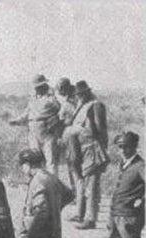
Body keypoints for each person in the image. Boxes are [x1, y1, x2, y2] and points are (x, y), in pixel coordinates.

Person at [92, 132, 144, 238]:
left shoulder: (140, 165)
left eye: (126, 146)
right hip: (116, 214)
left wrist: (142, 200)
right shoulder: (124, 164)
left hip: (129, 217)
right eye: (120, 147)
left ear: (134, 146)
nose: (122, 150)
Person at [66, 80, 109, 229]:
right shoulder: (81, 105)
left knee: (91, 183)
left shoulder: (96, 105)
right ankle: (81, 213)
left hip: (91, 148)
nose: (78, 96)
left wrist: (102, 147)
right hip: (80, 149)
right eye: (77, 94)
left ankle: (91, 219)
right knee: (81, 182)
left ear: (87, 93)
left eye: (81, 94)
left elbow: (100, 128)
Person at [9, 74, 62, 175]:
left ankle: (53, 186)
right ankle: (38, 182)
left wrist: (54, 120)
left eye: (39, 87)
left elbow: (59, 110)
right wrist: (16, 121)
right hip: (33, 132)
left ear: (44, 86)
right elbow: (26, 113)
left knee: (50, 160)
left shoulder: (51, 99)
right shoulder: (33, 100)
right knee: (34, 159)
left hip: (47, 132)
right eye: (36, 87)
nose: (37, 89)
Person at [55, 77, 79, 195]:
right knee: (70, 162)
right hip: (69, 133)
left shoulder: (74, 100)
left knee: (74, 162)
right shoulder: (69, 100)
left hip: (74, 134)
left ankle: (77, 191)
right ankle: (75, 190)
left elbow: (66, 118)